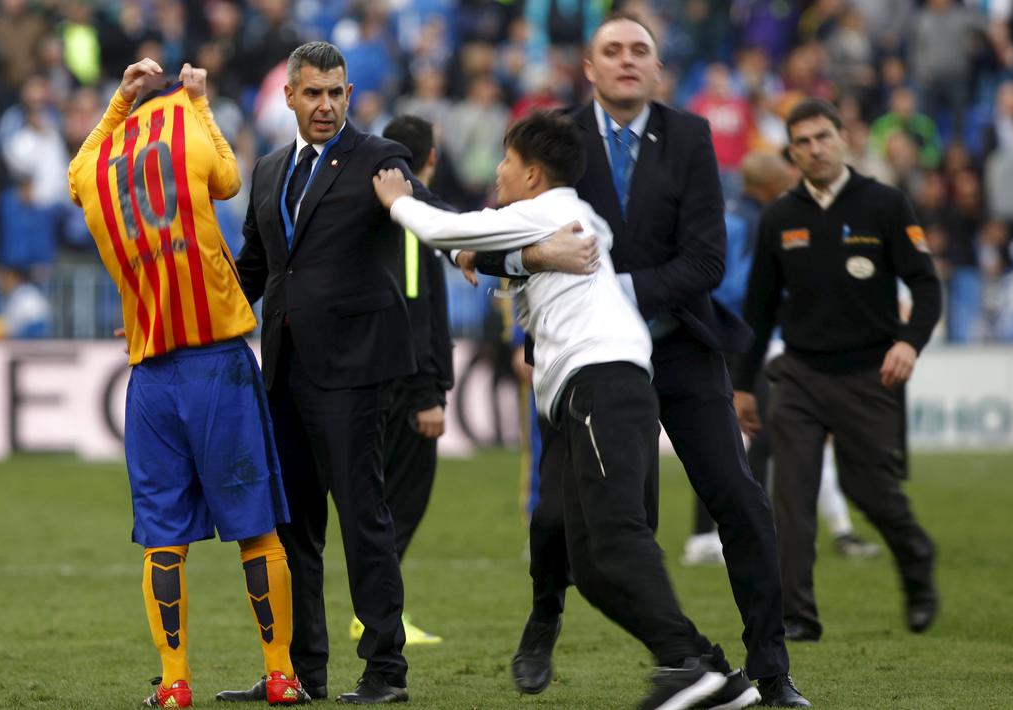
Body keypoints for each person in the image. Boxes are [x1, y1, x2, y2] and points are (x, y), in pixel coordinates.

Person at [470, 14, 807, 707]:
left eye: (640, 51)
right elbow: (496, 238)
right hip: (586, 361)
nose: (627, 60)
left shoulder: (690, 136)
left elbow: (706, 262)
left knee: (740, 499)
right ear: (589, 69)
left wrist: (612, 291)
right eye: (612, 50)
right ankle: (545, 616)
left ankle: (771, 671)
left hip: (678, 346)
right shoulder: (555, 135)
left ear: (658, 69)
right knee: (559, 518)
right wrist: (523, 255)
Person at [373, 108, 734, 710]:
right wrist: (522, 256)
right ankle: (710, 668)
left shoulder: (543, 211)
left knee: (615, 536)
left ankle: (682, 665)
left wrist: (396, 200)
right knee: (585, 561)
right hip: (589, 391)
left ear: (533, 174)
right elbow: (488, 251)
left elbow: (445, 230)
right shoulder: (568, 218)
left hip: (603, 383)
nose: (497, 171)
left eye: (507, 160)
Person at [67, 59, 304, 708]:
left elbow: (76, 170)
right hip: (217, 363)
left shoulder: (96, 167)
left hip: (150, 376)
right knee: (256, 528)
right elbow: (228, 179)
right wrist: (198, 102)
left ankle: (174, 683)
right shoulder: (187, 129)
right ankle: (280, 674)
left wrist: (118, 100)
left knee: (163, 537)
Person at [216, 41, 442, 705]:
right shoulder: (268, 170)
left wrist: (476, 252)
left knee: (364, 521)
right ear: (288, 95)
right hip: (283, 375)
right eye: (313, 92)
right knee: (293, 531)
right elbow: (253, 270)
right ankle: (301, 672)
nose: (325, 105)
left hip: (355, 373)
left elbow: (430, 219)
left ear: (350, 95)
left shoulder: (380, 158)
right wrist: (180, 322)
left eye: (336, 93)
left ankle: (385, 672)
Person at [733, 98, 941, 643]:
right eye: (802, 142)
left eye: (823, 136)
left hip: (870, 374)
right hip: (799, 375)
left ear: (843, 137)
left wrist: (910, 343)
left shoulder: (885, 204)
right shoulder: (780, 217)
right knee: (791, 496)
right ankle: (798, 616)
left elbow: (925, 284)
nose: (815, 149)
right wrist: (742, 384)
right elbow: (757, 307)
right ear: (791, 153)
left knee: (871, 492)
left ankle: (916, 559)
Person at [683, 152, 881, 566]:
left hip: (739, 339)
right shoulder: (746, 223)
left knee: (735, 436)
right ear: (769, 184)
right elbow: (726, 285)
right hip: (745, 341)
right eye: (783, 178)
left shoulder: (739, 218)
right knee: (760, 435)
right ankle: (733, 532)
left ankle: (711, 534)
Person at [345, 115, 454, 647]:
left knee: (386, 502)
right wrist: (427, 393)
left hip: (380, 379)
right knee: (401, 505)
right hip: (407, 389)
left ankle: (378, 610)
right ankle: (379, 614)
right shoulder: (411, 222)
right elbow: (415, 309)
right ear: (429, 158)